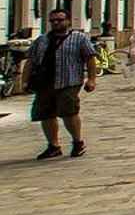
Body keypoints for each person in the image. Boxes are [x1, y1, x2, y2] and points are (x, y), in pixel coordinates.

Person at [22, 9, 98, 160]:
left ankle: (78, 142)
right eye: (53, 20)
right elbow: (31, 61)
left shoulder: (79, 38)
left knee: (69, 112)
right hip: (44, 83)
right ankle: (53, 146)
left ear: (68, 21)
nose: (56, 23)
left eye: (60, 20)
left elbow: (90, 58)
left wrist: (91, 79)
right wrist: (25, 80)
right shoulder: (42, 40)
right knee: (45, 114)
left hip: (68, 81)